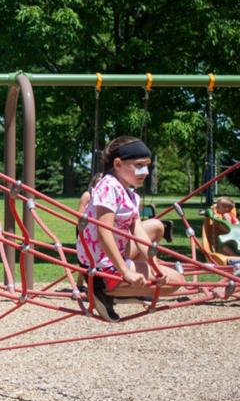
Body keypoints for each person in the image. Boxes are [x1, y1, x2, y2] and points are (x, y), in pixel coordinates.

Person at [75, 136, 178, 320]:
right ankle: (104, 289)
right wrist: (126, 272)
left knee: (155, 228)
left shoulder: (129, 193)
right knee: (176, 282)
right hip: (100, 264)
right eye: (139, 165)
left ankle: (121, 290)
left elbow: (139, 234)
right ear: (118, 164)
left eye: (147, 165)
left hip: (112, 252)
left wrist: (155, 266)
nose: (145, 171)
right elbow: (104, 231)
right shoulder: (109, 186)